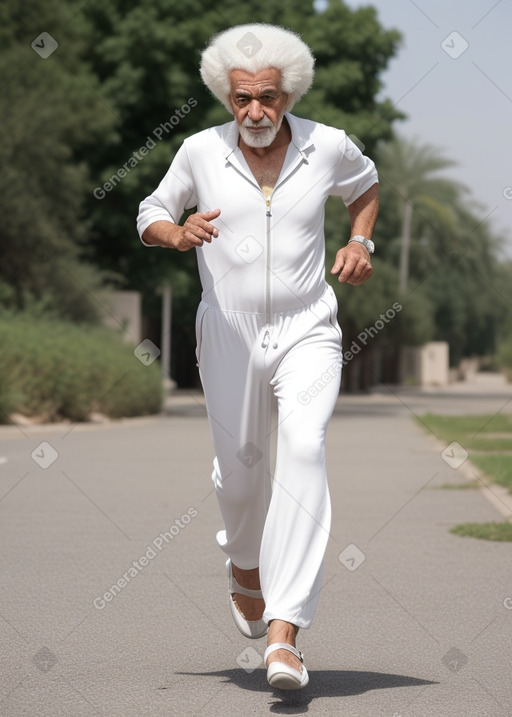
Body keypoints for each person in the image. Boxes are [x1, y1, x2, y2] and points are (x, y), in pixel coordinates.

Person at [137, 22, 378, 690]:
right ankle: (244, 564)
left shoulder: (327, 146)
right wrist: (175, 233)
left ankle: (285, 633)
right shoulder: (199, 152)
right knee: (240, 476)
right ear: (225, 94)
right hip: (230, 332)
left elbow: (366, 185)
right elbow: (149, 209)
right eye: (242, 98)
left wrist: (363, 243)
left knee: (304, 446)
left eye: (268, 97)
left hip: (308, 326)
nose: (255, 112)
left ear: (288, 93)